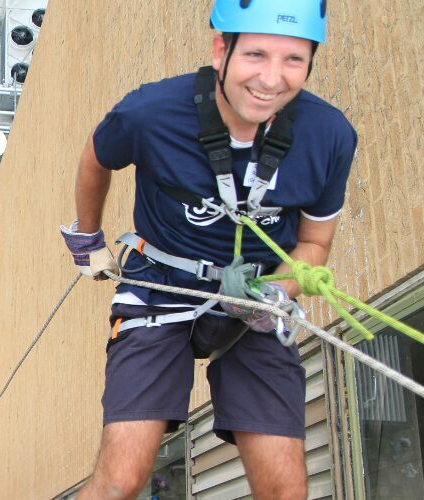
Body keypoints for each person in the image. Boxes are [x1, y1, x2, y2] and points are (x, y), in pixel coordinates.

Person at [62, 2, 355, 498]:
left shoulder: (329, 136)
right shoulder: (150, 113)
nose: (272, 79)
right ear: (222, 49)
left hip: (256, 303)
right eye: (257, 54)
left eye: (294, 60)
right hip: (161, 288)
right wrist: (88, 238)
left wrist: (268, 291)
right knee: (119, 482)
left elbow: (314, 244)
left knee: (287, 492)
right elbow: (96, 158)